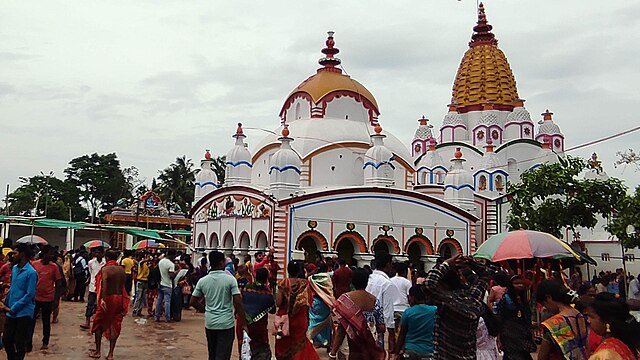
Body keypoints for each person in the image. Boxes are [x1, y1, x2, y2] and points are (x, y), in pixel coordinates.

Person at [423, 254, 493, 360]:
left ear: (443, 285)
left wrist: (447, 263)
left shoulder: (446, 302)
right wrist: (471, 263)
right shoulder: (473, 299)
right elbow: (486, 274)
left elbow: (428, 284)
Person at [190, 251, 246, 360]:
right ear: (221, 263)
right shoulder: (230, 280)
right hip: (226, 323)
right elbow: (238, 302)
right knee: (223, 355)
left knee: (212, 354)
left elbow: (192, 301)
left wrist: (206, 310)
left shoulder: (203, 281)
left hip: (210, 323)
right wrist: (243, 322)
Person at [329, 267, 386, 360]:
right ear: (367, 282)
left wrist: (333, 353)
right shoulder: (375, 300)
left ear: (352, 281)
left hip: (352, 350)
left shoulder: (345, 300)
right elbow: (382, 328)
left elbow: (341, 330)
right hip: (370, 350)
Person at [274, 260, 319, 360]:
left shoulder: (283, 283)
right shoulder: (305, 283)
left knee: (284, 342)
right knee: (299, 344)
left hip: (284, 319)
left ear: (288, 270)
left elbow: (278, 302)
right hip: (300, 319)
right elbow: (310, 301)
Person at [89, 250, 129, 360]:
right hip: (120, 298)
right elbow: (124, 286)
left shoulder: (105, 269)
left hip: (108, 298)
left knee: (98, 323)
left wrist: (102, 299)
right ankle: (110, 354)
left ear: (106, 258)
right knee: (115, 324)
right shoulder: (121, 269)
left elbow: (104, 283)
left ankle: (98, 351)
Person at [536, 279, 589, 360]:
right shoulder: (579, 315)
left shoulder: (554, 324)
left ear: (549, 298)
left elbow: (542, 357)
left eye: (544, 304)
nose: (546, 308)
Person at [1, 243, 37, 360]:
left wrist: (14, 308)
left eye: (15, 253)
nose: (12, 255)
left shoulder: (31, 273)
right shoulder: (15, 269)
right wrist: (6, 301)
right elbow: (13, 288)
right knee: (6, 339)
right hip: (11, 310)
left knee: (19, 342)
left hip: (24, 312)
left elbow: (30, 294)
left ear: (22, 255)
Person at [27, 245, 62, 351]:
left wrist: (56, 298)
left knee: (46, 321)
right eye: (50, 253)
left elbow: (58, 282)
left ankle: (45, 342)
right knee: (31, 321)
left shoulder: (54, 267)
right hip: (35, 297)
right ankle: (28, 343)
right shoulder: (34, 264)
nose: (51, 256)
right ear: (44, 253)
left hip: (48, 298)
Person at [586, 292, 640, 360]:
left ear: (607, 320)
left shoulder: (605, 355)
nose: (588, 320)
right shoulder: (625, 342)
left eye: (592, 317)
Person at [495, 274, 536, 360]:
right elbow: (499, 318)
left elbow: (528, 317)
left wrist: (531, 331)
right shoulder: (505, 299)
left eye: (521, 283)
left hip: (523, 333)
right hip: (509, 334)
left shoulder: (524, 299)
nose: (519, 285)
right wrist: (498, 338)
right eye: (516, 283)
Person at [238, 267, 275, 360]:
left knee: (244, 349)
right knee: (261, 350)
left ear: (255, 276)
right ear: (266, 279)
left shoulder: (246, 288)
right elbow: (273, 310)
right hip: (259, 327)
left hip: (243, 324)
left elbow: (239, 303)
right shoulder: (268, 293)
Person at [365, 252, 399, 353]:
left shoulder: (368, 278)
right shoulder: (386, 283)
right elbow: (387, 310)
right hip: (378, 324)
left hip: (363, 321)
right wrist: (391, 333)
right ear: (388, 265)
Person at [395, 285, 437, 359]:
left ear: (413, 298)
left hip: (410, 350)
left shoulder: (408, 312)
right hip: (428, 351)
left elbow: (402, 335)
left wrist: (397, 352)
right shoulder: (434, 311)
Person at [307, 262, 335, 348]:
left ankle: (311, 338)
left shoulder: (312, 278)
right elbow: (330, 291)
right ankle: (325, 341)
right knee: (325, 322)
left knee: (313, 320)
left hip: (315, 302)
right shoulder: (328, 278)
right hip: (326, 303)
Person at [81, 247, 105, 330]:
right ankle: (87, 322)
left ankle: (100, 323)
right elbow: (91, 273)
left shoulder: (105, 263)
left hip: (102, 287)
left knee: (101, 305)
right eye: (96, 253)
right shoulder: (91, 262)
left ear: (102, 253)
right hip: (93, 286)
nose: (97, 254)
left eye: (99, 252)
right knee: (90, 304)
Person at [155, 249, 176, 322]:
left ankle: (156, 316)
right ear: (172, 255)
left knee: (159, 301)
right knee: (167, 301)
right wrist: (177, 272)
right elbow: (171, 275)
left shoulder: (161, 261)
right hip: (167, 284)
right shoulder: (171, 264)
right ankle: (167, 318)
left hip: (161, 283)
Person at [391, 262, 412, 329]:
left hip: (392, 309)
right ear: (405, 272)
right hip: (404, 309)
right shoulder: (407, 282)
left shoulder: (390, 280)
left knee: (393, 331)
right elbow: (409, 297)